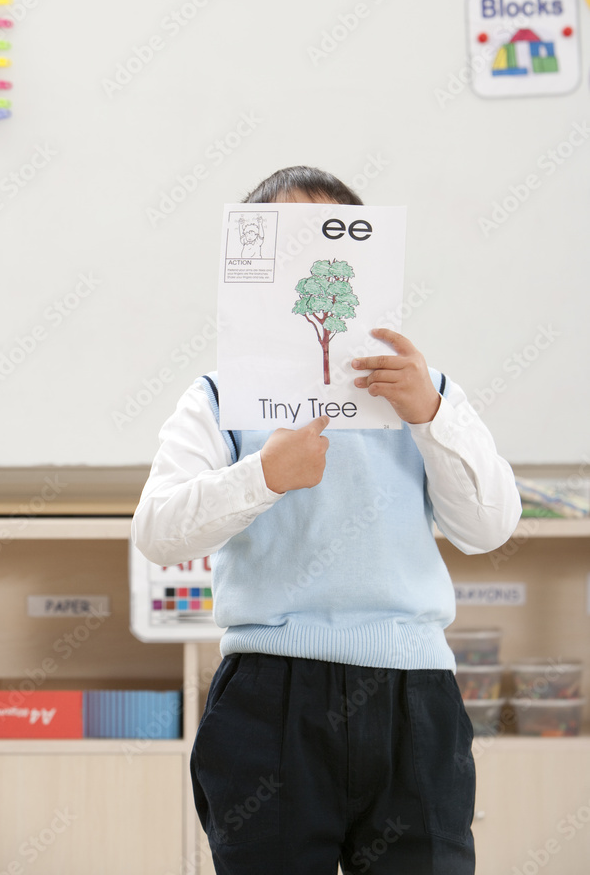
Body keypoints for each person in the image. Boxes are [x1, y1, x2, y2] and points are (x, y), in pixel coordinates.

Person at [131, 165, 522, 875]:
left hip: (412, 695)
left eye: (331, 240)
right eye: (286, 247)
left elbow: (488, 526)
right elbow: (158, 531)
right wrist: (262, 476)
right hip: (267, 694)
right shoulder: (219, 397)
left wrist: (430, 415)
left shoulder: (420, 390)